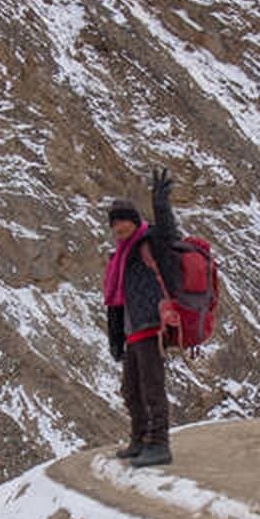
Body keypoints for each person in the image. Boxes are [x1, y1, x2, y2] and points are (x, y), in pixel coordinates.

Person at [103, 169, 182, 467]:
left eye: (123, 225)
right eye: (115, 227)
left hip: (150, 326)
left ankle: (159, 444)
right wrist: (116, 339)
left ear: (135, 223)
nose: (119, 231)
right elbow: (116, 303)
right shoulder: (120, 257)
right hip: (131, 332)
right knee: (131, 390)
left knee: (152, 387)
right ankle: (139, 439)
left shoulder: (150, 243)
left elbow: (168, 233)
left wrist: (161, 205)